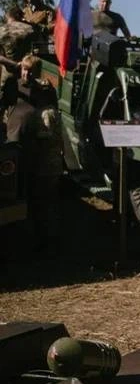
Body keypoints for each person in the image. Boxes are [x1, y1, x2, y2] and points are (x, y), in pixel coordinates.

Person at [3, 55, 62, 249]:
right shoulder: (13, 85)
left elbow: (52, 111)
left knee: (37, 197)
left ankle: (40, 239)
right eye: (24, 70)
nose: (26, 74)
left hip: (34, 151)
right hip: (12, 146)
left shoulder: (44, 91)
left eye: (31, 71)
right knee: (12, 193)